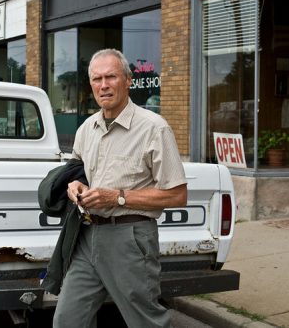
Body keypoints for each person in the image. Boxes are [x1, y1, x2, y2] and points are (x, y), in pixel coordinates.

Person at [53, 49, 188, 328]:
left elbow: (177, 195)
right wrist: (75, 186)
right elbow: (78, 172)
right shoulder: (86, 128)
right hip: (87, 236)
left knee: (145, 322)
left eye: (111, 77)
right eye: (97, 79)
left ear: (128, 80)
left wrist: (117, 197)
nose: (104, 85)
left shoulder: (154, 128)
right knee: (67, 320)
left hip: (131, 239)